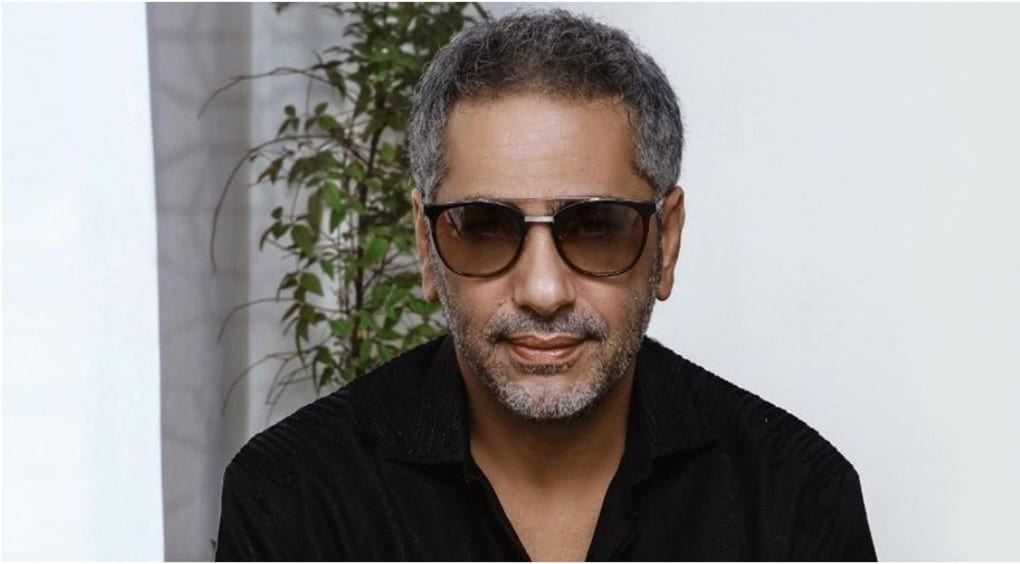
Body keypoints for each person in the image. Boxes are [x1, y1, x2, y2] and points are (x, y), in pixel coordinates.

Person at [216, 9, 877, 561]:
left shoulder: (794, 498)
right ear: (425, 244)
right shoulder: (295, 498)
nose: (542, 290)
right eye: (483, 227)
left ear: (667, 240)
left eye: (596, 228)